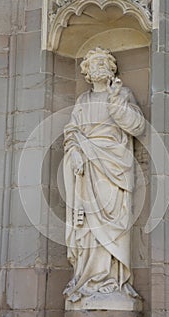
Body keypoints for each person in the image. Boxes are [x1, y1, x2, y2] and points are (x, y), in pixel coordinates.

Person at [63, 47, 145, 303]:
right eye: (93, 63)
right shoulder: (83, 102)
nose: (98, 67)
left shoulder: (122, 94)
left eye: (103, 62)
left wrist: (115, 100)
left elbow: (137, 126)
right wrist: (75, 152)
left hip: (114, 169)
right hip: (87, 170)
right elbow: (71, 133)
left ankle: (113, 279)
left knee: (114, 223)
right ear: (86, 71)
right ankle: (88, 278)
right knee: (87, 227)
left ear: (111, 69)